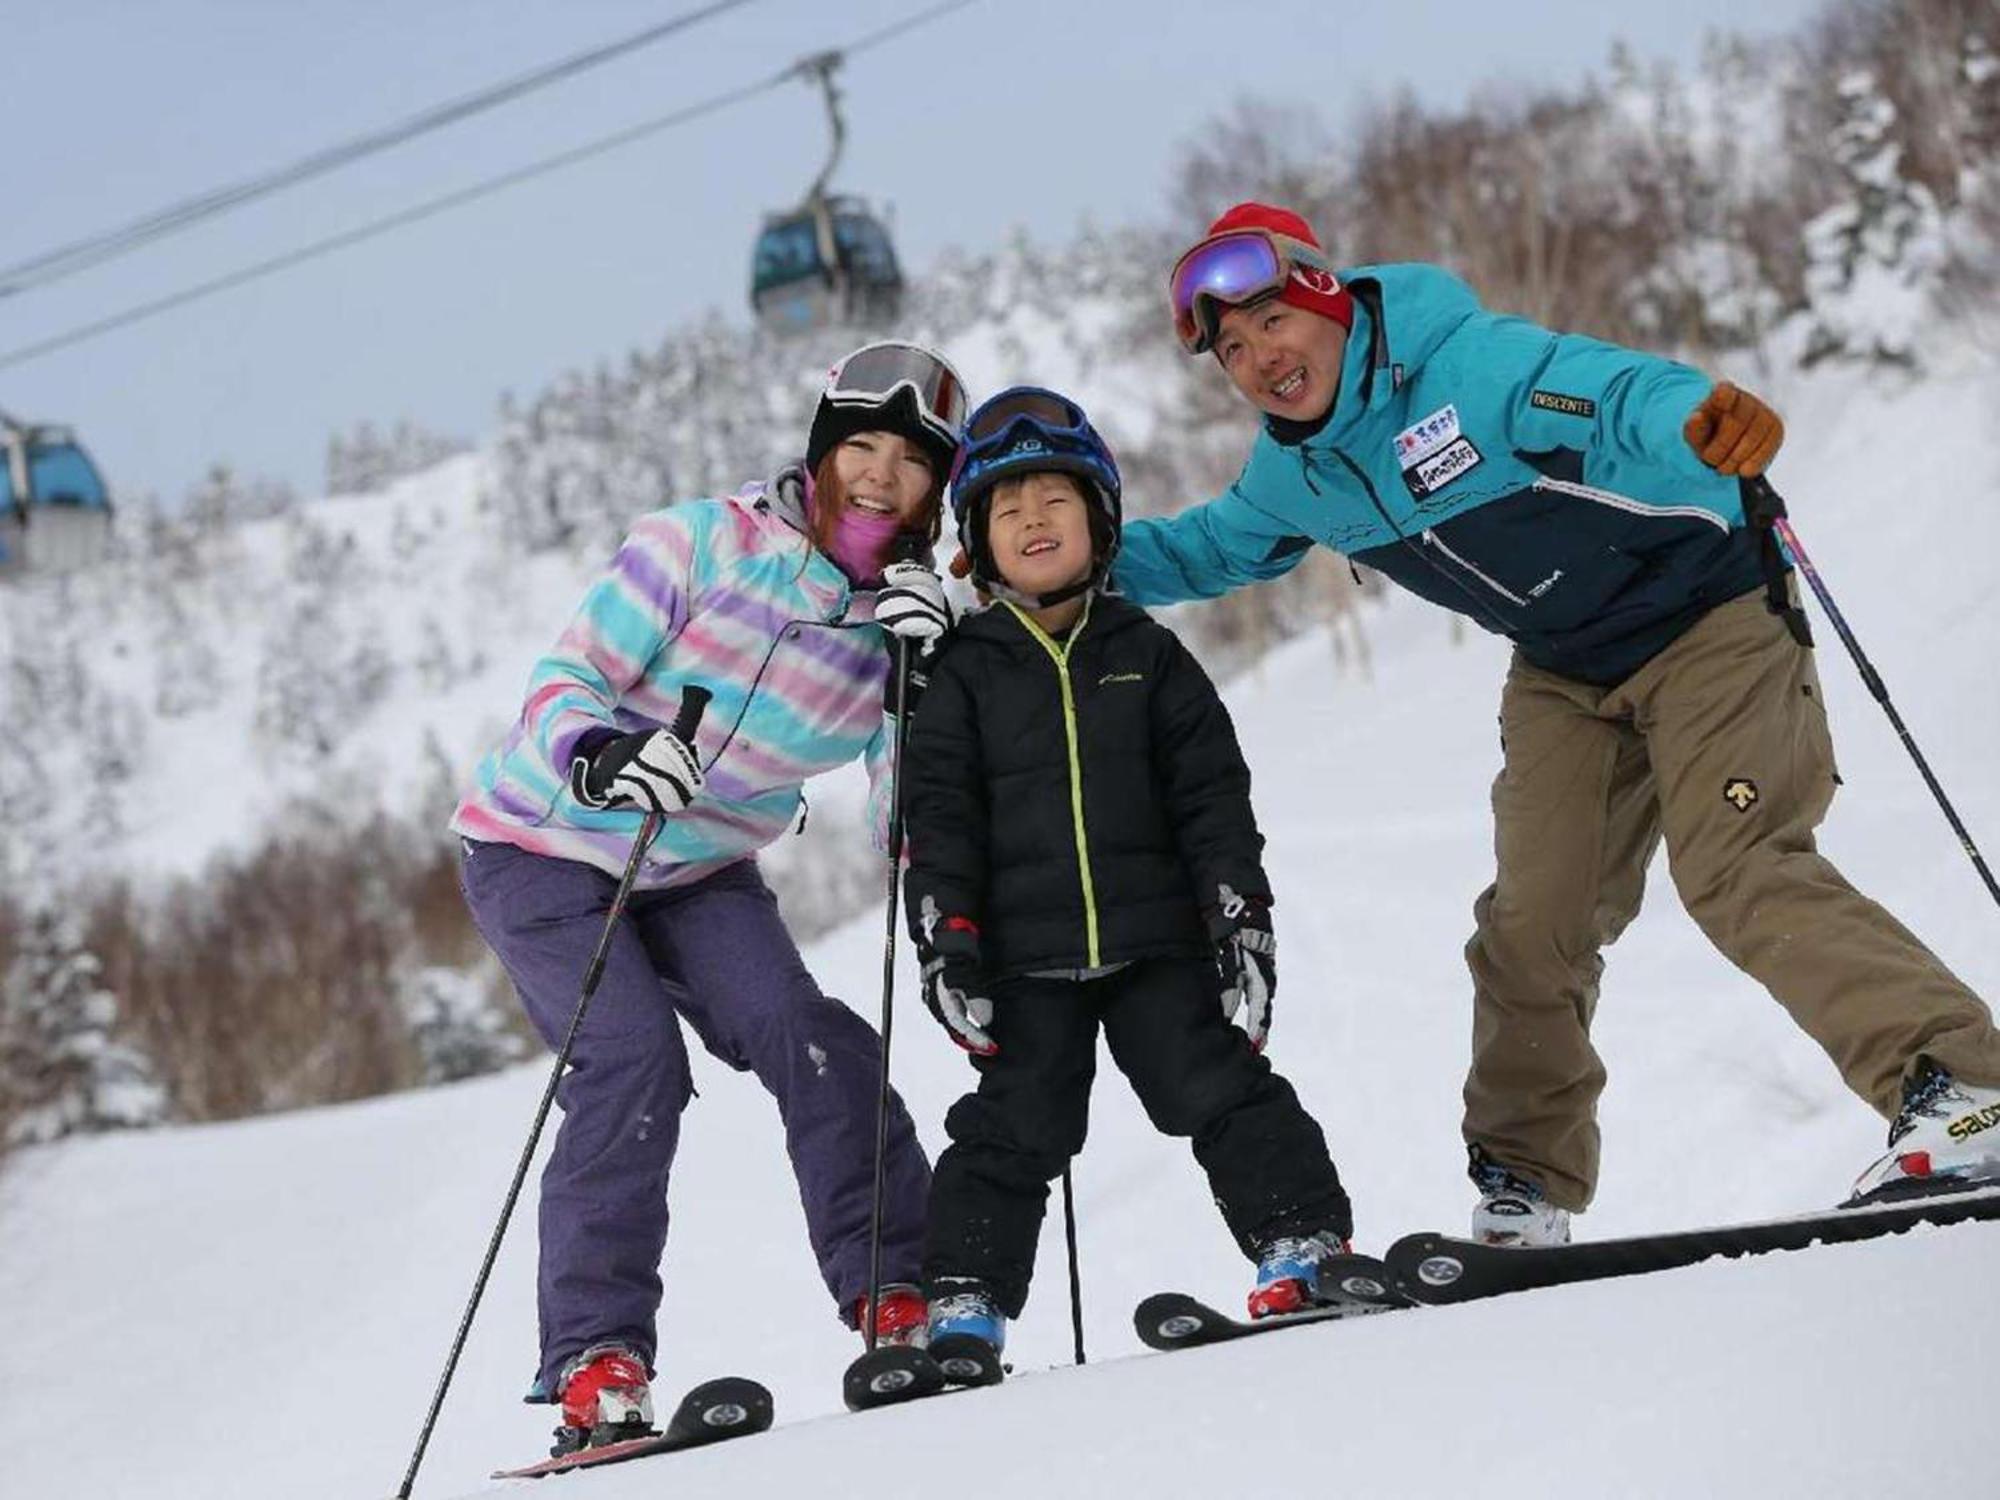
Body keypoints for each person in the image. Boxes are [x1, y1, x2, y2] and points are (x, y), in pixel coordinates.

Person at [1106, 200, 2000, 1245]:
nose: (1260, 358)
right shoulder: (1292, 474)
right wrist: (1060, 554)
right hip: (1566, 672)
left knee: (1733, 867)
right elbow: (1203, 549)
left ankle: (1962, 1089)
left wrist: (1697, 415)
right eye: (1231, 349)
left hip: (1704, 614)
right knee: (1532, 925)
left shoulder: (1468, 366)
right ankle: (1523, 1186)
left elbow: (1613, 393)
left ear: (1325, 300)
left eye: (1271, 322)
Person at [451, 341, 966, 1452]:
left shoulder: (902, 627)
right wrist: (598, 752)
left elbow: (900, 822)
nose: (878, 476)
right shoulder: (697, 543)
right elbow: (565, 680)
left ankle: (899, 1299)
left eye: (910, 462)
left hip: (696, 871)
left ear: (937, 489)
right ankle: (598, 1362)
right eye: (859, 445)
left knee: (811, 1034)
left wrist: (929, 691)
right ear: (821, 451)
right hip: (542, 840)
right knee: (632, 1058)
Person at [902, 385, 1356, 1371]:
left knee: (1222, 1086)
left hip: (1159, 946)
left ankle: (1303, 1244)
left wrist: (1238, 920)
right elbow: (936, 823)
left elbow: (1212, 801)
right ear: (973, 542)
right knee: (1011, 1126)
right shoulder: (958, 675)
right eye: (1007, 507)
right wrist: (948, 942)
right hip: (1023, 962)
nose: (1033, 520)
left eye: (1055, 500)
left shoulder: (1148, 658)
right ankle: (961, 1306)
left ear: (1099, 519)